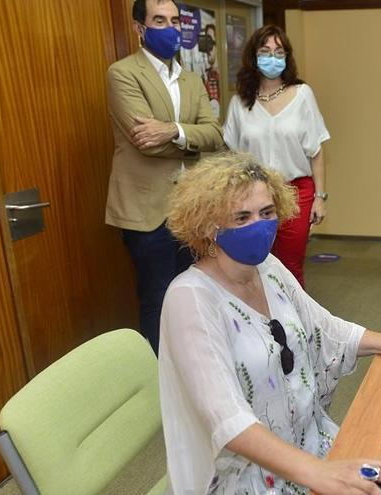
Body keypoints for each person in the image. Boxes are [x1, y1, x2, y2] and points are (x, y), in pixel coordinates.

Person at [160, 152, 381, 494]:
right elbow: (227, 421)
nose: (259, 225)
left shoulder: (269, 269)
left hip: (307, 447)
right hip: (241, 478)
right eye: (241, 217)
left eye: (267, 213)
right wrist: (316, 473)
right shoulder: (190, 298)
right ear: (208, 226)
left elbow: (325, 329)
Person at [105, 0, 224, 354]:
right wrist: (189, 137)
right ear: (141, 28)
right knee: (158, 299)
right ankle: (163, 380)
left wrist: (170, 129)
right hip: (147, 210)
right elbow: (145, 143)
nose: (170, 28)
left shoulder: (190, 78)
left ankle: (196, 367)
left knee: (195, 291)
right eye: (160, 20)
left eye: (174, 20)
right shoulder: (122, 73)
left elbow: (215, 135)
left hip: (190, 208)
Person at [223, 25, 328, 287]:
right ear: (253, 56)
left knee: (290, 266)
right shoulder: (240, 103)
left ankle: (295, 325)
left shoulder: (303, 95)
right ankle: (261, 323)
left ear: (287, 57)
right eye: (265, 51)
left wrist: (320, 198)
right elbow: (231, 157)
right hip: (251, 193)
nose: (272, 57)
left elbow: (316, 152)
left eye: (279, 52)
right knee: (255, 262)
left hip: (296, 193)